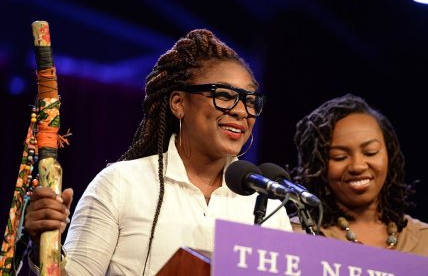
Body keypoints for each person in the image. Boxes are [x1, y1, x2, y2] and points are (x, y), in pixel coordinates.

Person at [23, 29, 292, 275]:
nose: (241, 110)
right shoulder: (121, 184)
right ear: (178, 103)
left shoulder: (268, 205)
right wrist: (43, 246)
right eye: (223, 95)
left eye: (250, 100)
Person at [290, 93, 428, 256]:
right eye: (340, 157)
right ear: (318, 166)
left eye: (370, 152)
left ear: (389, 155)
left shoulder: (423, 239)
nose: (357, 166)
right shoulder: (295, 235)